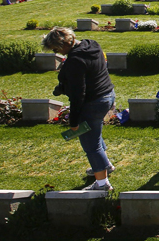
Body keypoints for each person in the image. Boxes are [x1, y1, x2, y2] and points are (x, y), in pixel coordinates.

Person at [43, 26, 116, 191]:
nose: (58, 53)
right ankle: (105, 166)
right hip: (108, 94)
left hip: (93, 101)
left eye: (56, 49)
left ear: (63, 45)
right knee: (95, 135)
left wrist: (73, 121)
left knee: (91, 144)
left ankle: (102, 184)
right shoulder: (92, 44)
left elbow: (78, 95)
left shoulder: (75, 60)